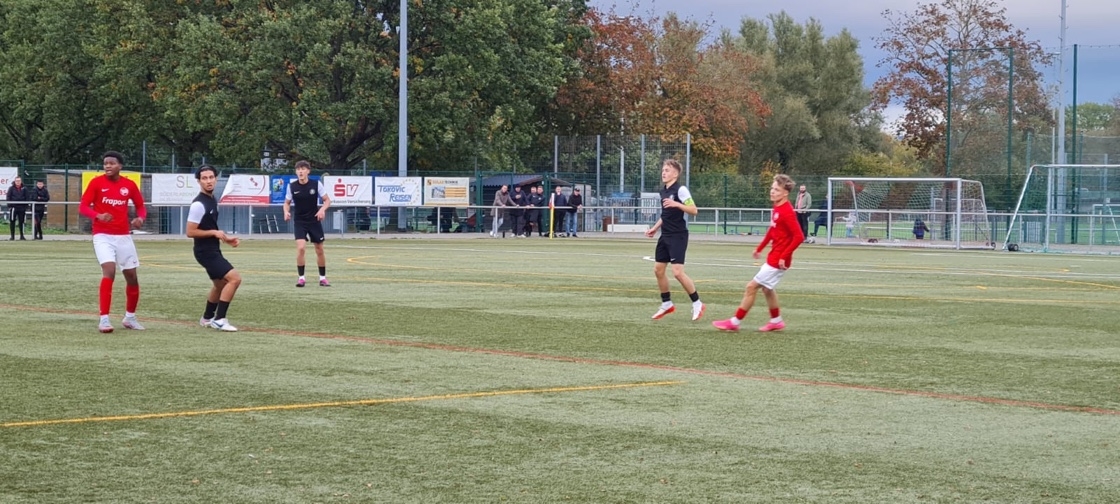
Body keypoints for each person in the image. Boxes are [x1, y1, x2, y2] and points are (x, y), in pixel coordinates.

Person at [713, 174, 802, 333]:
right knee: (767, 289)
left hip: (778, 260)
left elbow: (799, 237)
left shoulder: (787, 211)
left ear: (785, 193)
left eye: (777, 189)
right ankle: (776, 321)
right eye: (772, 188)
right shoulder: (777, 207)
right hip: (774, 256)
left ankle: (734, 322)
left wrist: (784, 256)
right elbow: (772, 231)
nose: (772, 191)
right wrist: (760, 248)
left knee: (751, 287)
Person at [79, 151, 148, 333]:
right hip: (102, 235)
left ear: (120, 166)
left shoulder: (129, 185)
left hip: (123, 236)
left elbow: (140, 206)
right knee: (109, 270)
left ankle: (130, 318)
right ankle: (104, 319)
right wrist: (98, 215)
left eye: (111, 163)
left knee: (132, 276)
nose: (108, 166)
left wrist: (140, 218)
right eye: (105, 163)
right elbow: (83, 207)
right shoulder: (96, 183)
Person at [645, 159, 704, 321]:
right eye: (663, 170)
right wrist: (655, 228)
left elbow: (694, 210)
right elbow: (666, 214)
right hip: (665, 235)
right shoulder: (663, 191)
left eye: (667, 170)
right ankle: (666, 304)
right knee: (658, 270)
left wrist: (677, 204)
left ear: (676, 174)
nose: (664, 173)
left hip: (678, 235)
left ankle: (697, 303)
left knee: (677, 273)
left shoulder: (681, 190)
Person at [187, 165, 243, 332]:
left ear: (216, 179)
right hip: (205, 252)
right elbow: (190, 232)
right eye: (204, 178)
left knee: (219, 285)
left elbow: (211, 227)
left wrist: (226, 239)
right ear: (199, 181)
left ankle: (207, 318)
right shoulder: (198, 204)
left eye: (211, 177)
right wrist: (214, 233)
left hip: (212, 249)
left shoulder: (212, 199)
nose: (209, 181)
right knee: (234, 279)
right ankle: (219, 319)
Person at [283, 160, 332, 287]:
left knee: (319, 249)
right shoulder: (292, 186)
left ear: (308, 171)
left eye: (303, 169)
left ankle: (322, 278)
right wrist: (286, 212)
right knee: (301, 248)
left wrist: (322, 210)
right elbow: (287, 203)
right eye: (298, 169)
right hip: (300, 221)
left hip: (314, 221)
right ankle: (301, 278)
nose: (300, 171)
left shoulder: (316, 184)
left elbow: (327, 200)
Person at [7, 176, 30, 240]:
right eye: (16, 181)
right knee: (12, 221)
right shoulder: (11, 188)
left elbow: (27, 197)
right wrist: (10, 206)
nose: (18, 182)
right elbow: (8, 197)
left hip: (22, 207)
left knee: (21, 221)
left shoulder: (24, 188)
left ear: (21, 181)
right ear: (14, 181)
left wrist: (25, 206)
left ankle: (22, 236)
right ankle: (12, 236)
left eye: (19, 181)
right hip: (13, 208)